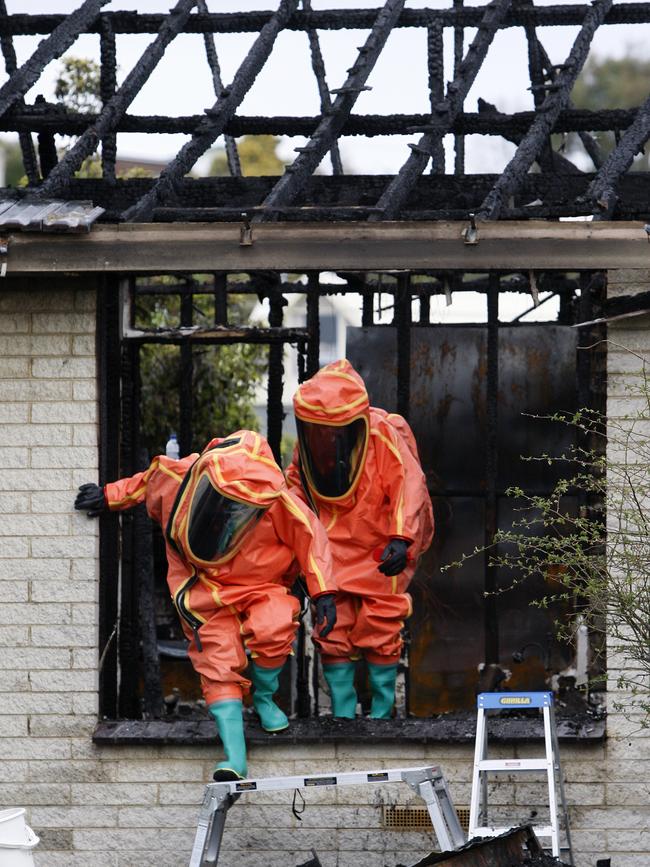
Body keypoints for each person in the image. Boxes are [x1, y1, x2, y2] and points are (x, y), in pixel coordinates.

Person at [75, 430, 336, 780]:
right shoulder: (176, 477)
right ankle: (235, 759)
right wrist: (108, 496)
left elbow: (311, 536)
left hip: (262, 585)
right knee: (217, 661)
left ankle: (264, 697)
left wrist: (324, 593)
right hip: (203, 587)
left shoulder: (276, 499)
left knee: (274, 625)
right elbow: (145, 483)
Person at [286, 359, 433, 719]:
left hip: (378, 552)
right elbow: (295, 499)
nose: (329, 438)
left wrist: (402, 536)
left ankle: (383, 711)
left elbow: (408, 483)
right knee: (332, 631)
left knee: (381, 625)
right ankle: (342, 714)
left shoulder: (382, 434)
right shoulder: (306, 449)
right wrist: (301, 564)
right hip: (331, 556)